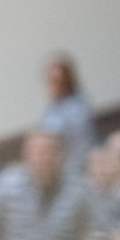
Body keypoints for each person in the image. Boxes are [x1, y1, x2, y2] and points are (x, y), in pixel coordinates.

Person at [0, 129, 91, 240]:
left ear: (61, 155)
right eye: (41, 152)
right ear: (27, 154)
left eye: (52, 152)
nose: (46, 158)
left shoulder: (77, 189)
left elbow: (93, 229)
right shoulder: (5, 185)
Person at [41, 53, 97, 181]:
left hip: (76, 171)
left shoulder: (78, 109)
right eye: (50, 81)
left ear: (67, 81)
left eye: (57, 81)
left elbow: (81, 148)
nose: (53, 86)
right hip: (56, 173)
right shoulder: (50, 108)